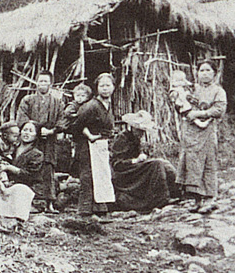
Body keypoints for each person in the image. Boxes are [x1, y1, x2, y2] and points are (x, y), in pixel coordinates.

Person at [176, 60, 227, 212]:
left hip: (207, 131)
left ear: (214, 73)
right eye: (201, 70)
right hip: (190, 131)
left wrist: (199, 113)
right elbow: (180, 103)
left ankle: (210, 198)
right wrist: (182, 108)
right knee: (191, 163)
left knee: (208, 162)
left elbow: (219, 110)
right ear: (196, 73)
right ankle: (197, 199)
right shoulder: (192, 89)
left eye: (208, 70)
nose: (204, 73)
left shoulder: (218, 91)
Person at [110, 110, 179, 211]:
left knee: (164, 163)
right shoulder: (122, 139)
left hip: (134, 169)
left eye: (143, 131)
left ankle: (178, 191)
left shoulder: (135, 138)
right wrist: (135, 160)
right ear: (132, 128)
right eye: (139, 131)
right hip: (124, 174)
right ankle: (160, 199)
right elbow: (117, 165)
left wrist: (141, 156)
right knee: (156, 164)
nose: (142, 134)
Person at [16, 71, 63, 213]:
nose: (42, 84)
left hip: (49, 141)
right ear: (36, 83)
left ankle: (49, 204)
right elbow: (22, 118)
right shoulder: (28, 100)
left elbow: (62, 120)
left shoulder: (57, 102)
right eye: (40, 81)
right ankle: (29, 202)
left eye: (45, 81)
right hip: (32, 141)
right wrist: (34, 129)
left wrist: (52, 130)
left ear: (51, 84)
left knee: (48, 169)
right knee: (30, 168)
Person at [74, 73, 117, 217]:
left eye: (108, 85)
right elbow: (77, 125)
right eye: (102, 86)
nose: (105, 89)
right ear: (97, 88)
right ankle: (85, 211)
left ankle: (100, 209)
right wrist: (90, 136)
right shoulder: (91, 106)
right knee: (88, 175)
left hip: (101, 145)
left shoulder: (108, 105)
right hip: (87, 145)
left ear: (113, 87)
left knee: (101, 174)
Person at [0, 122, 37, 228]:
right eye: (25, 130)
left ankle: (14, 217)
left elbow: (30, 175)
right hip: (2, 173)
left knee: (19, 189)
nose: (26, 133)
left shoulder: (36, 154)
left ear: (36, 135)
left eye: (31, 131)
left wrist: (9, 167)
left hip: (22, 184)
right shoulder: (13, 147)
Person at [56, 83, 93, 177]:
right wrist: (77, 116)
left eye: (83, 96)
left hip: (82, 133)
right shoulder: (73, 105)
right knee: (77, 153)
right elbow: (67, 113)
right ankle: (73, 173)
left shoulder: (88, 105)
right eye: (77, 95)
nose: (80, 98)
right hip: (72, 130)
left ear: (87, 97)